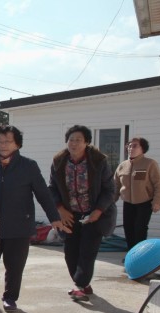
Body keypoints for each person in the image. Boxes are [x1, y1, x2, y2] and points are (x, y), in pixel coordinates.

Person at [0, 125, 71, 312]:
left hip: (19, 226)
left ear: (17, 144)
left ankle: (10, 298)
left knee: (14, 266)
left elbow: (43, 194)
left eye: (8, 141)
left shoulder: (29, 166)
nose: (3, 145)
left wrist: (54, 218)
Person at [48, 124, 116, 302]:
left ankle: (79, 286)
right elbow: (52, 188)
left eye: (79, 140)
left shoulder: (98, 161)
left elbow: (110, 190)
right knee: (70, 252)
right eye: (71, 139)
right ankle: (83, 284)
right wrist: (60, 209)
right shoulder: (59, 161)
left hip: (94, 215)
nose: (74, 143)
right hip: (70, 215)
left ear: (86, 142)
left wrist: (98, 211)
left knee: (87, 251)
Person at [114, 137, 160, 251]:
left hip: (145, 203)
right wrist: (109, 202)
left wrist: (157, 202)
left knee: (140, 229)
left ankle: (140, 254)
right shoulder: (122, 166)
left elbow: (159, 185)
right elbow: (116, 186)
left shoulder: (150, 164)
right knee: (128, 228)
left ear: (143, 149)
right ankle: (131, 254)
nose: (131, 148)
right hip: (128, 203)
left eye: (135, 146)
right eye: (129, 146)